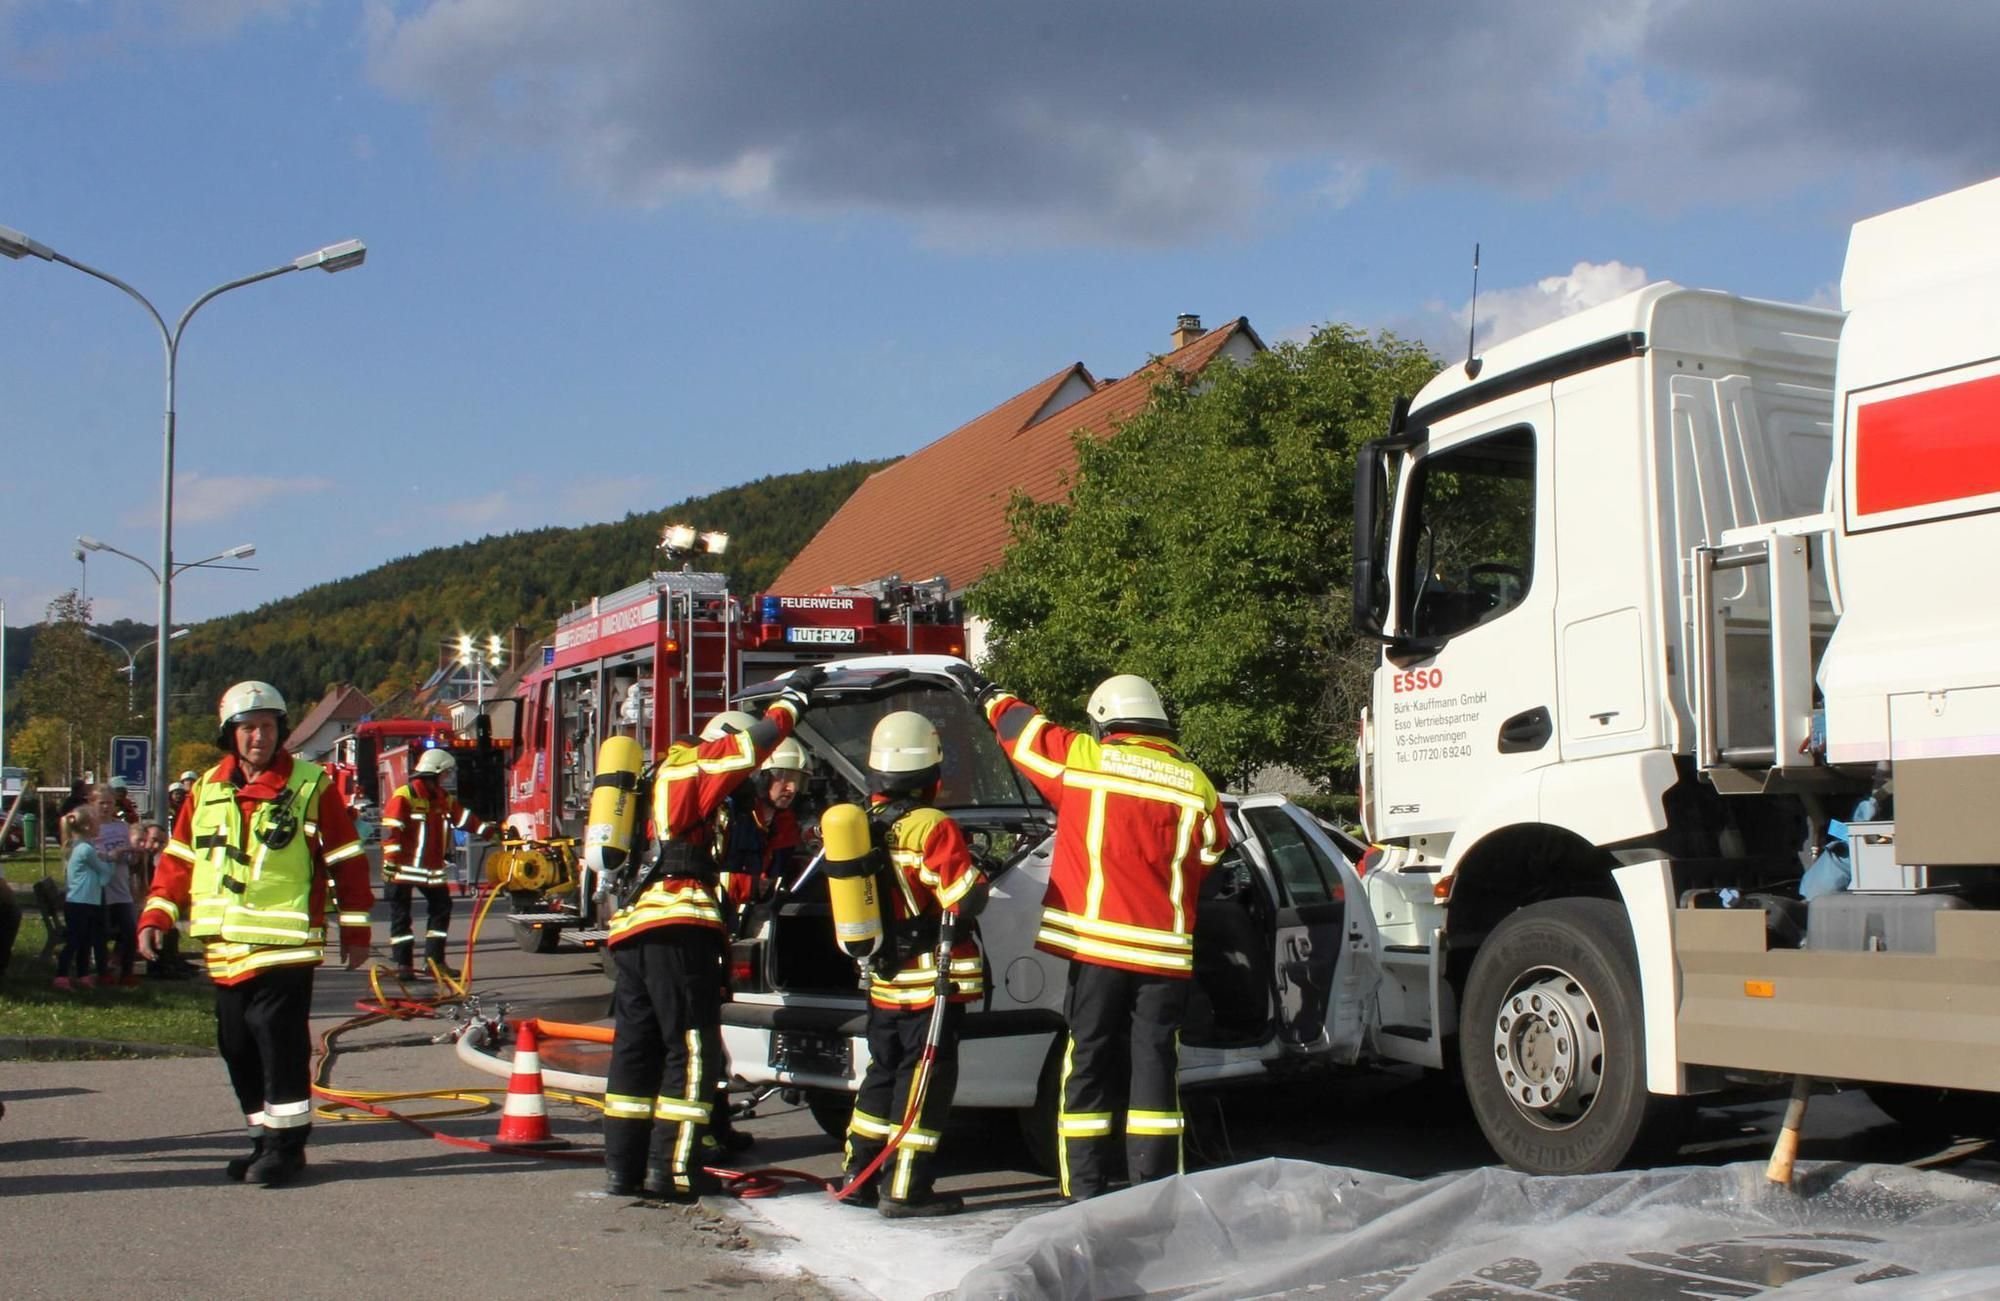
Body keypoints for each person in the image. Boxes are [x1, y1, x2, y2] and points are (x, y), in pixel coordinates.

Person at [955, 668, 1227, 1201]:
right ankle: (1154, 1186)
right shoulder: (1195, 783)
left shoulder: (1084, 759)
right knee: (1155, 1061)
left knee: (1089, 1058)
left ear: (1106, 721)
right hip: (1165, 955)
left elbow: (1021, 732)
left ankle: (1085, 1188)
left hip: (1097, 947)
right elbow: (1213, 853)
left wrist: (988, 693)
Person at [139, 680, 373, 1187]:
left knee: (277, 1041)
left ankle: (286, 1148)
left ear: (281, 731)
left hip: (285, 945)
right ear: (231, 734)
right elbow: (179, 860)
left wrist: (355, 928)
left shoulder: (310, 786)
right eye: (248, 729)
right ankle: (262, 1138)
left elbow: (346, 860)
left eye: (267, 728)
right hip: (223, 949)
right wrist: (156, 915)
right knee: (235, 1045)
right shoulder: (204, 789)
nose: (258, 738)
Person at [601, 666, 820, 1201]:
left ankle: (623, 1169)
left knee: (637, 1051)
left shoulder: (660, 782)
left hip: (635, 929)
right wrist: (793, 701)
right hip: (678, 926)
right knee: (692, 1051)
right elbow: (754, 745)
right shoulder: (693, 766)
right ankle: (672, 1172)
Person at [840, 711, 987, 1218]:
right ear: (932, 774)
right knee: (924, 1082)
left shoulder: (862, 823)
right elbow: (964, 899)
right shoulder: (932, 827)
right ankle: (905, 1189)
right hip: (932, 981)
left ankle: (857, 1175)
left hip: (885, 979)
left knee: (882, 1074)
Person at [379, 748, 493, 980]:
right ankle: (404, 965)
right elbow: (391, 833)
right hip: (402, 870)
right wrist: (390, 864)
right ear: (434, 773)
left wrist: (490, 831)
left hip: (430, 870)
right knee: (401, 917)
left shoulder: (442, 798)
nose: (447, 778)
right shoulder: (405, 796)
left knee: (441, 909)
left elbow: (463, 819)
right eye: (445, 773)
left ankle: (434, 962)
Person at [55, 806, 114, 991]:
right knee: (75, 940)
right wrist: (111, 859)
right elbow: (104, 876)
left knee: (86, 941)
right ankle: (61, 975)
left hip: (88, 901)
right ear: (88, 827)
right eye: (96, 823)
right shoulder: (85, 850)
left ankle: (83, 974)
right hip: (80, 903)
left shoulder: (84, 847)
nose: (99, 826)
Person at [91, 783, 142, 988]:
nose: (105, 807)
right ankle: (103, 972)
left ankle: (127, 972)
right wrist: (110, 855)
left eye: (109, 803)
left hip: (121, 888)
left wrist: (132, 854)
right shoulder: (90, 828)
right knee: (101, 932)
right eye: (101, 803)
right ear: (93, 803)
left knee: (130, 931)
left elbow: (131, 858)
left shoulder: (121, 827)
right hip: (99, 889)